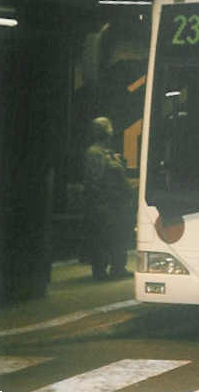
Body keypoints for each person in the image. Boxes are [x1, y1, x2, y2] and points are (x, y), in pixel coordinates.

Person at [83, 117, 134, 280]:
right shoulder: (95, 153)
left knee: (117, 236)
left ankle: (117, 267)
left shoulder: (108, 153)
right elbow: (94, 181)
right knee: (103, 238)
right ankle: (101, 270)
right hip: (105, 204)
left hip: (115, 203)